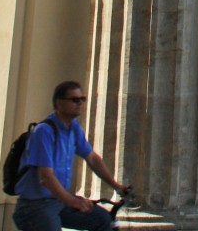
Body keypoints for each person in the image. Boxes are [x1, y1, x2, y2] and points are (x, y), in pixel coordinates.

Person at [13, 80, 129, 231]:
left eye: (82, 99)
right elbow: (45, 177)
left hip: (59, 201)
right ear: (59, 103)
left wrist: (116, 186)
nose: (80, 103)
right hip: (36, 206)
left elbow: (92, 158)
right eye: (74, 100)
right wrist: (74, 202)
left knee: (102, 219)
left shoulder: (73, 128)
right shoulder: (44, 131)